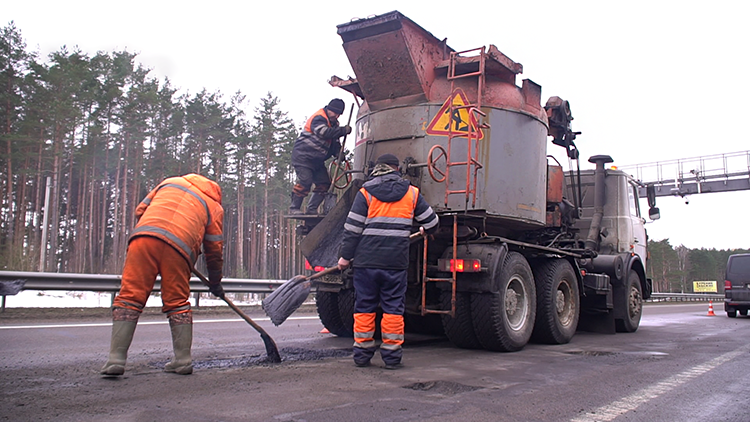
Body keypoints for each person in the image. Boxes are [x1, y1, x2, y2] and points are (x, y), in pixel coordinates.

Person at [101, 173, 225, 376]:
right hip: (180, 249)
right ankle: (183, 360)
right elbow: (214, 248)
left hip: (144, 239)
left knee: (130, 296)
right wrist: (215, 282)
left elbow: (140, 210)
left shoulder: (170, 182)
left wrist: (157, 233)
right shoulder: (213, 206)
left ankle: (116, 359)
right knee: (177, 302)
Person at [337, 153, 439, 369]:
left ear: (378, 169)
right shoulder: (411, 193)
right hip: (395, 264)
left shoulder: (365, 193)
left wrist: (345, 257)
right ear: (396, 169)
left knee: (364, 306)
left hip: (367, 263)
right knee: (393, 309)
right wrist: (423, 229)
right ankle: (392, 357)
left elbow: (352, 230)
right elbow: (432, 223)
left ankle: (362, 355)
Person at [290, 98, 351, 215]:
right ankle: (294, 208)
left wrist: (338, 153)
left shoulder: (334, 124)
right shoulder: (319, 118)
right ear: (329, 109)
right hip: (303, 157)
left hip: (317, 160)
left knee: (324, 184)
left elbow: (334, 142)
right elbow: (324, 133)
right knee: (305, 181)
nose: (337, 116)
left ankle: (311, 209)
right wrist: (342, 130)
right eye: (335, 113)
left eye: (339, 114)